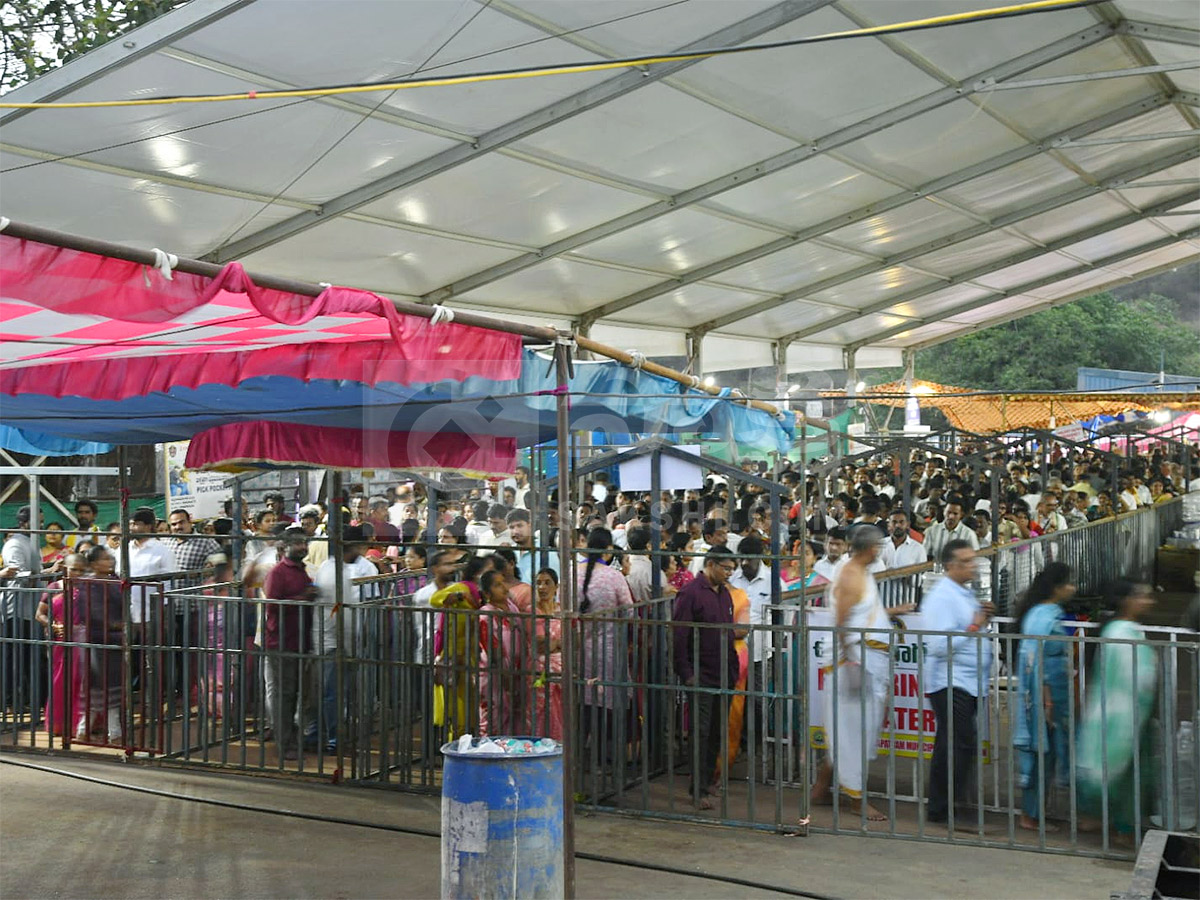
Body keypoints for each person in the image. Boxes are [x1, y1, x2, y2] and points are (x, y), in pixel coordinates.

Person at [810, 524, 913, 823]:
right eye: (878, 547)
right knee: (854, 734)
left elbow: (866, 614)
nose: (880, 552)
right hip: (854, 662)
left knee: (849, 730)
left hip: (867, 658)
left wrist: (893, 612)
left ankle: (821, 788)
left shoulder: (861, 572)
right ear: (870, 549)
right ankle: (857, 800)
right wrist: (851, 663)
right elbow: (842, 622)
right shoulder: (850, 575)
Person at [1077, 581, 1158, 845]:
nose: (1148, 602)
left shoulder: (1123, 630)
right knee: (1123, 772)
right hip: (1122, 716)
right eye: (1142, 597)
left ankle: (1104, 820)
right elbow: (1135, 675)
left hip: (1119, 713)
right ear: (1126, 600)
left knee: (1114, 768)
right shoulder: (1122, 632)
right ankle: (1120, 828)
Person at [920, 540, 993, 826]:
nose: (972, 566)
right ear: (950, 565)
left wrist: (982, 620)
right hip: (950, 681)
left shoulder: (965, 593)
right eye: (965, 561)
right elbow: (939, 644)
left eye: (973, 560)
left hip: (968, 681)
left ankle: (946, 805)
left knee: (953, 744)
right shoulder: (941, 597)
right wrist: (974, 626)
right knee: (959, 744)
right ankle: (943, 808)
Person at [672, 547, 739, 809]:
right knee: (699, 732)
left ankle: (709, 778)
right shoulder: (690, 593)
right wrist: (686, 673)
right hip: (701, 674)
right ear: (710, 564)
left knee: (716, 731)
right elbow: (679, 636)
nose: (729, 573)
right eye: (725, 568)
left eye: (732, 569)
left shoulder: (724, 594)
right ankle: (696, 789)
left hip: (724, 671)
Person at [1012, 562, 1076, 832]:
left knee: (1048, 756)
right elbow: (1034, 661)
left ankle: (1037, 812)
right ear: (1057, 587)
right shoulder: (1044, 616)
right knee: (1041, 756)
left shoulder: (1046, 613)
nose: (1073, 588)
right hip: (1043, 697)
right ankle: (1030, 816)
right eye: (1069, 583)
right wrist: (1046, 701)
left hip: (1052, 694)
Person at [308, 525, 377, 750]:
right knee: (330, 691)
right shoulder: (330, 569)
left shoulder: (359, 569)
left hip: (349, 637)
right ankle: (332, 737)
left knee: (344, 690)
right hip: (331, 638)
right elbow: (330, 607)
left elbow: (366, 605)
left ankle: (339, 731)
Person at [577, 528, 634, 766]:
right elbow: (629, 611)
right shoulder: (613, 577)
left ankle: (577, 758)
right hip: (608, 651)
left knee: (580, 700)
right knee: (605, 702)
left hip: (577, 649)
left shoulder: (572, 573)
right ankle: (603, 758)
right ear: (608, 550)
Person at [262, 527, 315, 760]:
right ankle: (284, 743)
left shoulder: (301, 570)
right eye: (297, 543)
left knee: (295, 693)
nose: (303, 547)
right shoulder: (278, 572)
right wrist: (302, 599)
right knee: (284, 694)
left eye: (305, 542)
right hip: (281, 641)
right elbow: (273, 605)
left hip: (299, 640)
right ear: (284, 547)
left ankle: (291, 738)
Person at [73, 545, 124, 741]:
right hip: (94, 640)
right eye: (104, 558)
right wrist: (118, 625)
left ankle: (98, 730)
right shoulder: (89, 584)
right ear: (94, 563)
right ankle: (95, 730)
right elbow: (94, 613)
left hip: (113, 640)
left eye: (110, 557)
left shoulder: (114, 580)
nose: (110, 560)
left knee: (112, 687)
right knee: (97, 687)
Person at [35, 553, 87, 735]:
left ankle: (78, 726)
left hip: (82, 642)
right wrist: (53, 625)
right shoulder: (54, 587)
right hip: (59, 644)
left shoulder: (89, 589)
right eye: (74, 569)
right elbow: (39, 614)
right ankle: (58, 724)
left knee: (81, 682)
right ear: (65, 568)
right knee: (59, 680)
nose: (77, 573)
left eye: (82, 570)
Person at [2, 506, 45, 720]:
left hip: (30, 609)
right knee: (12, 658)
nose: (42, 525)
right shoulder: (15, 543)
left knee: (29, 657)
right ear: (25, 522)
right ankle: (8, 702)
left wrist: (47, 571)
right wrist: (40, 574)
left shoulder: (32, 542)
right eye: (39, 521)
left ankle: (27, 701)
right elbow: (16, 573)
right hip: (15, 610)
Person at [527, 568, 563, 741]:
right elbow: (541, 645)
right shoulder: (531, 611)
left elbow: (575, 641)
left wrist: (554, 644)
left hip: (561, 673)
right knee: (541, 716)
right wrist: (557, 644)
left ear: (557, 587)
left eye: (547, 582)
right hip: (539, 671)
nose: (542, 587)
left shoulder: (561, 610)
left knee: (560, 715)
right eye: (538, 583)